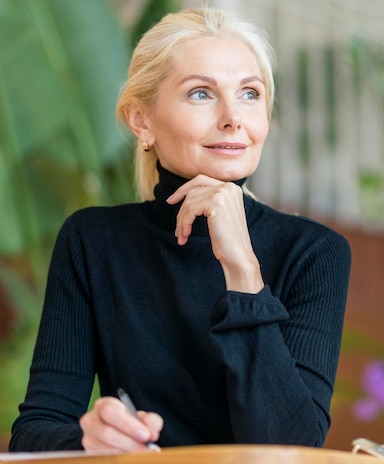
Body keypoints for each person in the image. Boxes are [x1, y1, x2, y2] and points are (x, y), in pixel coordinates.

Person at [9, 5, 351, 453]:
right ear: (141, 120)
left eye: (250, 94)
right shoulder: (92, 241)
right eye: (201, 94)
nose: (234, 118)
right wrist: (89, 439)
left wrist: (242, 270)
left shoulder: (314, 252)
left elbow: (290, 447)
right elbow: (33, 434)